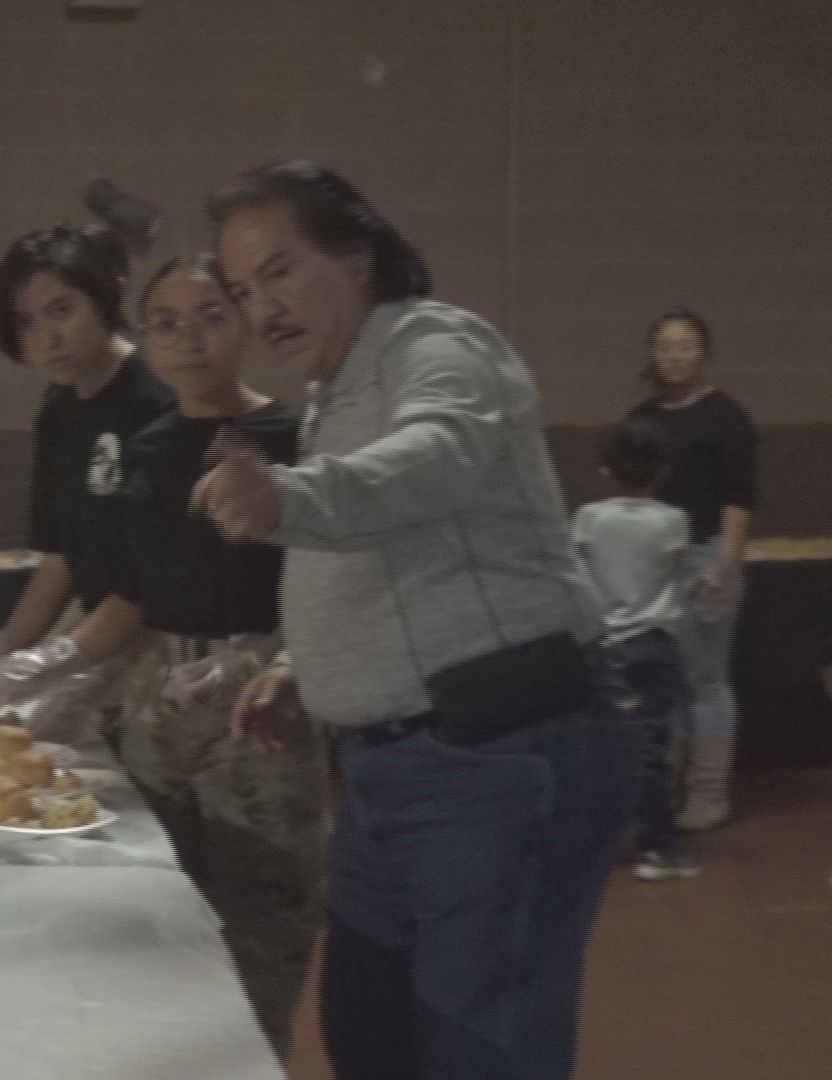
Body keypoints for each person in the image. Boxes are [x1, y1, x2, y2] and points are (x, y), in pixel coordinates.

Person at [199, 162, 630, 1080]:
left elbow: (432, 459)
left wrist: (285, 495)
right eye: (240, 288)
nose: (260, 306)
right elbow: (385, 561)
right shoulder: (337, 390)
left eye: (279, 270)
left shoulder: (436, 345)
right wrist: (301, 669)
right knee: (370, 1036)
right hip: (390, 771)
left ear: (357, 257)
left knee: (480, 1045)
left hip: (499, 752)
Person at [0, 255, 325, 1055]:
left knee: (263, 915)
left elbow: (326, 592)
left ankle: (253, 1059)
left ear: (245, 322)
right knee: (152, 908)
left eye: (211, 315)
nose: (186, 339)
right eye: (165, 321)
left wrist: (263, 662)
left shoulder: (296, 436)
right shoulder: (146, 446)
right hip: (154, 699)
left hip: (258, 706)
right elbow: (130, 596)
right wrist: (41, 660)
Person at [0, 222, 174, 711]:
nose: (48, 338)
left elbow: (155, 577)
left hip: (164, 644)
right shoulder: (59, 409)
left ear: (106, 298)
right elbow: (60, 559)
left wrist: (58, 658)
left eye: (62, 310)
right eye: (26, 321)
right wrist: (2, 649)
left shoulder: (156, 401)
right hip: (95, 631)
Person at [628, 308, 758, 831]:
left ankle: (708, 793)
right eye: (665, 347)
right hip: (653, 561)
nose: (674, 357)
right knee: (663, 680)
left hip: (705, 557)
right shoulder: (644, 417)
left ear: (703, 353)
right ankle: (665, 790)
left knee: (703, 680)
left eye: (684, 346)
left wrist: (723, 564)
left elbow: (740, 498)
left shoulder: (726, 417)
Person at [573, 420, 697, 881]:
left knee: (597, 748)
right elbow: (678, 567)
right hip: (653, 645)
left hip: (601, 646)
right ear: (662, 469)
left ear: (606, 467)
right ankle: (657, 849)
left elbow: (576, 570)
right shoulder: (672, 521)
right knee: (650, 749)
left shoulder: (588, 518)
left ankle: (590, 844)